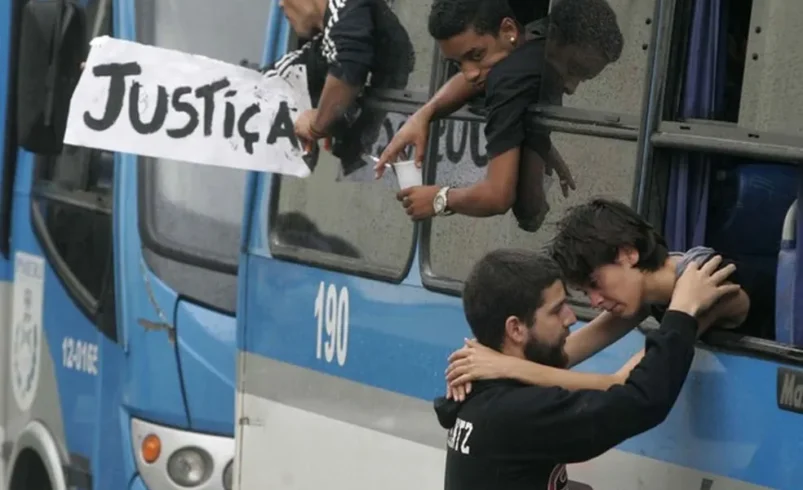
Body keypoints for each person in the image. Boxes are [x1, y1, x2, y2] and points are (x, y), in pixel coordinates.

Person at [435, 248, 740, 489]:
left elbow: (562, 357)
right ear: (515, 329)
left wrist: (645, 294)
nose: (571, 318)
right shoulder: (518, 412)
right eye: (556, 311)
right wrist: (684, 312)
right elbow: (641, 400)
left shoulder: (484, 387)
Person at [444, 198, 751, 399]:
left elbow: (625, 384)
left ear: (629, 253)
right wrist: (479, 362)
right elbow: (563, 356)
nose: (594, 302)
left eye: (595, 284)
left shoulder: (705, 282)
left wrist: (504, 367)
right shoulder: (644, 294)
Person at [375, 0, 623, 232]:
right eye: (458, 63)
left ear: (509, 30)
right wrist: (422, 115)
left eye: (580, 73)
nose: (570, 86)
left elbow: (500, 197)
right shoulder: (527, 55)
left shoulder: (519, 73)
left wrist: (438, 198)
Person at [265, 0, 415, 176]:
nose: (281, 5)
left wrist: (316, 125)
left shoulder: (344, 8)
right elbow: (285, 74)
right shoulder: (326, 41)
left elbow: (349, 65)